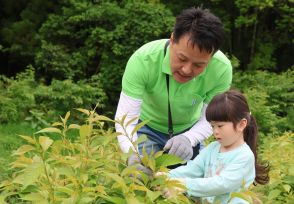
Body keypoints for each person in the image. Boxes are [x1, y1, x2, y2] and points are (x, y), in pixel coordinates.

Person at [115, 7, 232, 171]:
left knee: (195, 185)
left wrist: (189, 138)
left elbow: (211, 117)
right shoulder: (143, 60)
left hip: (190, 129)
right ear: (172, 41)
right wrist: (132, 153)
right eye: (182, 58)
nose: (186, 70)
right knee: (142, 180)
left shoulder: (221, 70)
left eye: (199, 65)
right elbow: (125, 117)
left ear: (211, 58)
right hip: (146, 128)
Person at [161, 90, 269, 203]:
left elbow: (221, 184)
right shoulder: (213, 148)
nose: (215, 131)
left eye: (220, 126)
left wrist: (183, 185)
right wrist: (166, 175)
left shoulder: (244, 156)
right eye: (213, 126)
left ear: (241, 124)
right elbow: (193, 169)